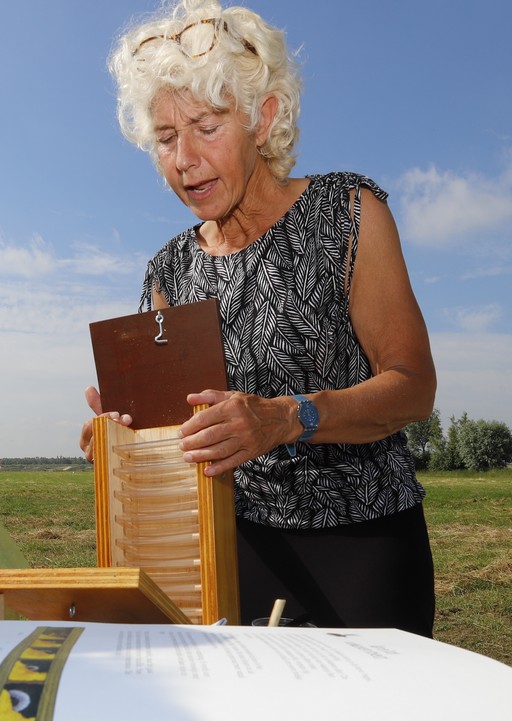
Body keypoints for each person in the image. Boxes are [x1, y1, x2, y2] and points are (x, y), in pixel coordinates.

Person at [82, 0, 438, 637]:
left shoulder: (347, 213)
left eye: (206, 126)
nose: (184, 158)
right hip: (228, 552)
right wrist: (119, 444)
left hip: (361, 549)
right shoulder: (168, 271)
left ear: (262, 118)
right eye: (166, 138)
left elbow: (413, 387)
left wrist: (287, 417)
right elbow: (173, 438)